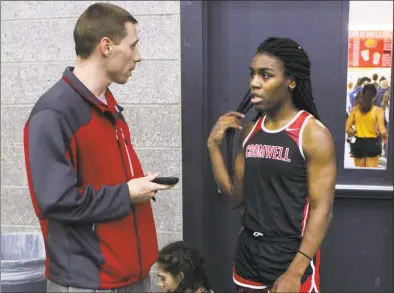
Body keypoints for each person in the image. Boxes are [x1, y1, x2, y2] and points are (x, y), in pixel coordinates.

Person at [23, 3, 176, 292]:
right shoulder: (54, 114)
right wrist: (128, 193)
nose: (138, 57)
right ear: (106, 46)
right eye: (133, 46)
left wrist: (137, 186)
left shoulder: (108, 105)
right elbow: (56, 201)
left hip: (129, 276)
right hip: (88, 282)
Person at [207, 37, 336, 292]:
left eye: (266, 75)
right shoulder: (249, 133)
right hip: (248, 258)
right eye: (253, 74)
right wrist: (213, 147)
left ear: (290, 81)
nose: (255, 83)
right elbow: (234, 198)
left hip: (290, 259)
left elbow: (323, 210)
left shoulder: (311, 134)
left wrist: (295, 271)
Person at [346, 84, 388, 167]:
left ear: (362, 94)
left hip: (358, 144)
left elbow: (347, 128)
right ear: (375, 96)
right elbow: (382, 130)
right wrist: (385, 138)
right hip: (372, 144)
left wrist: (354, 131)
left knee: (359, 173)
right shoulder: (378, 111)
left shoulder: (355, 110)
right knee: (371, 175)